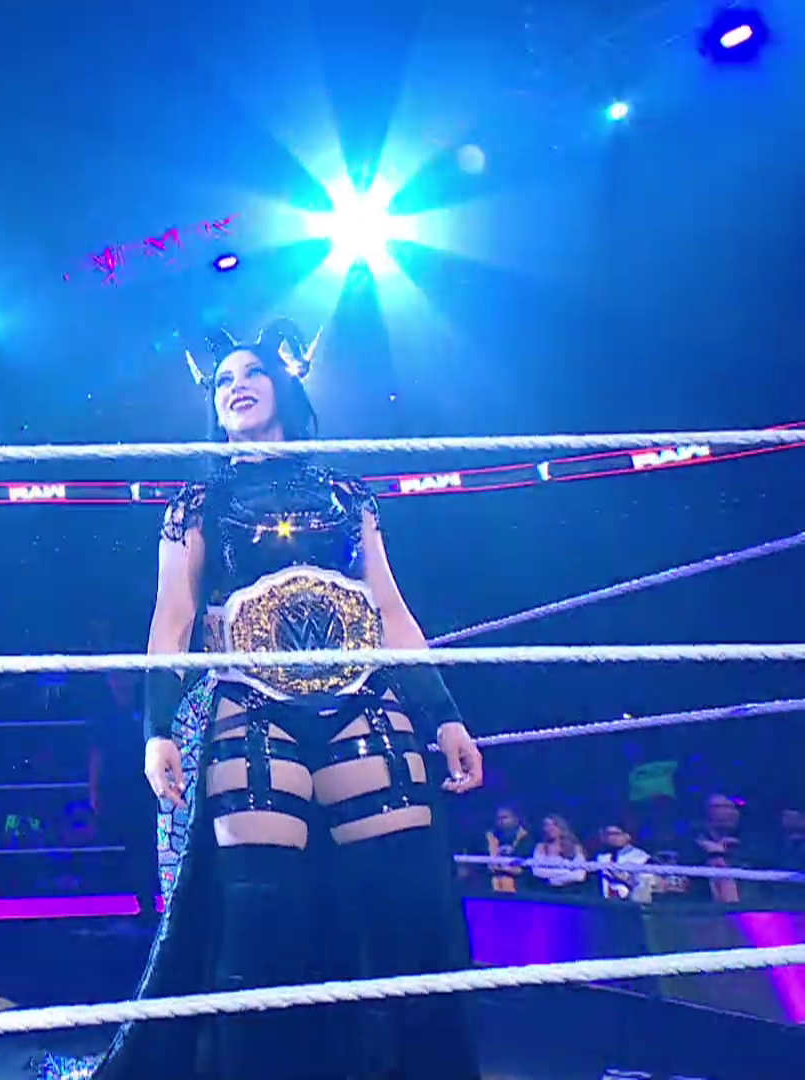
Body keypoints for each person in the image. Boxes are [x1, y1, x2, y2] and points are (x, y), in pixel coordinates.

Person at [81, 321, 487, 1080]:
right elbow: (172, 619)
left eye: (251, 372)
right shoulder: (197, 503)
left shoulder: (346, 494)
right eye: (222, 379)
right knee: (258, 920)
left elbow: (391, 608)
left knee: (403, 910)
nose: (235, 385)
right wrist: (156, 728)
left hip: (364, 700)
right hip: (252, 706)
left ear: (284, 385)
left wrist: (446, 716)